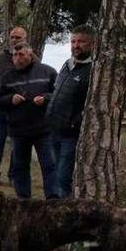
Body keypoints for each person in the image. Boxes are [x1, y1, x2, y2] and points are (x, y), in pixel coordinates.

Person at [0, 43, 59, 199]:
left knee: (50, 166)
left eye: (21, 55)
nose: (17, 58)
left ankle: (53, 200)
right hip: (19, 131)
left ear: (30, 55)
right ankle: (23, 201)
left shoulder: (47, 71)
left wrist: (45, 99)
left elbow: (58, 94)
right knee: (20, 168)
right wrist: (10, 99)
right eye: (15, 55)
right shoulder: (7, 77)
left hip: (44, 129)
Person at [45, 24, 94, 198]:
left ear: (92, 44)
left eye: (81, 41)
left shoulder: (92, 70)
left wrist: (75, 122)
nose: (76, 45)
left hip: (70, 134)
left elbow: (91, 105)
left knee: (63, 177)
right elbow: (58, 92)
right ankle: (55, 209)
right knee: (54, 172)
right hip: (53, 129)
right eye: (73, 41)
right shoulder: (67, 64)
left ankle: (64, 213)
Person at [0, 26, 27, 185]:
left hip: (19, 111)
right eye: (12, 37)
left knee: (16, 145)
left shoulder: (31, 58)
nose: (14, 40)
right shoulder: (0, 59)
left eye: (18, 37)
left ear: (25, 39)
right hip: (1, 109)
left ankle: (13, 176)